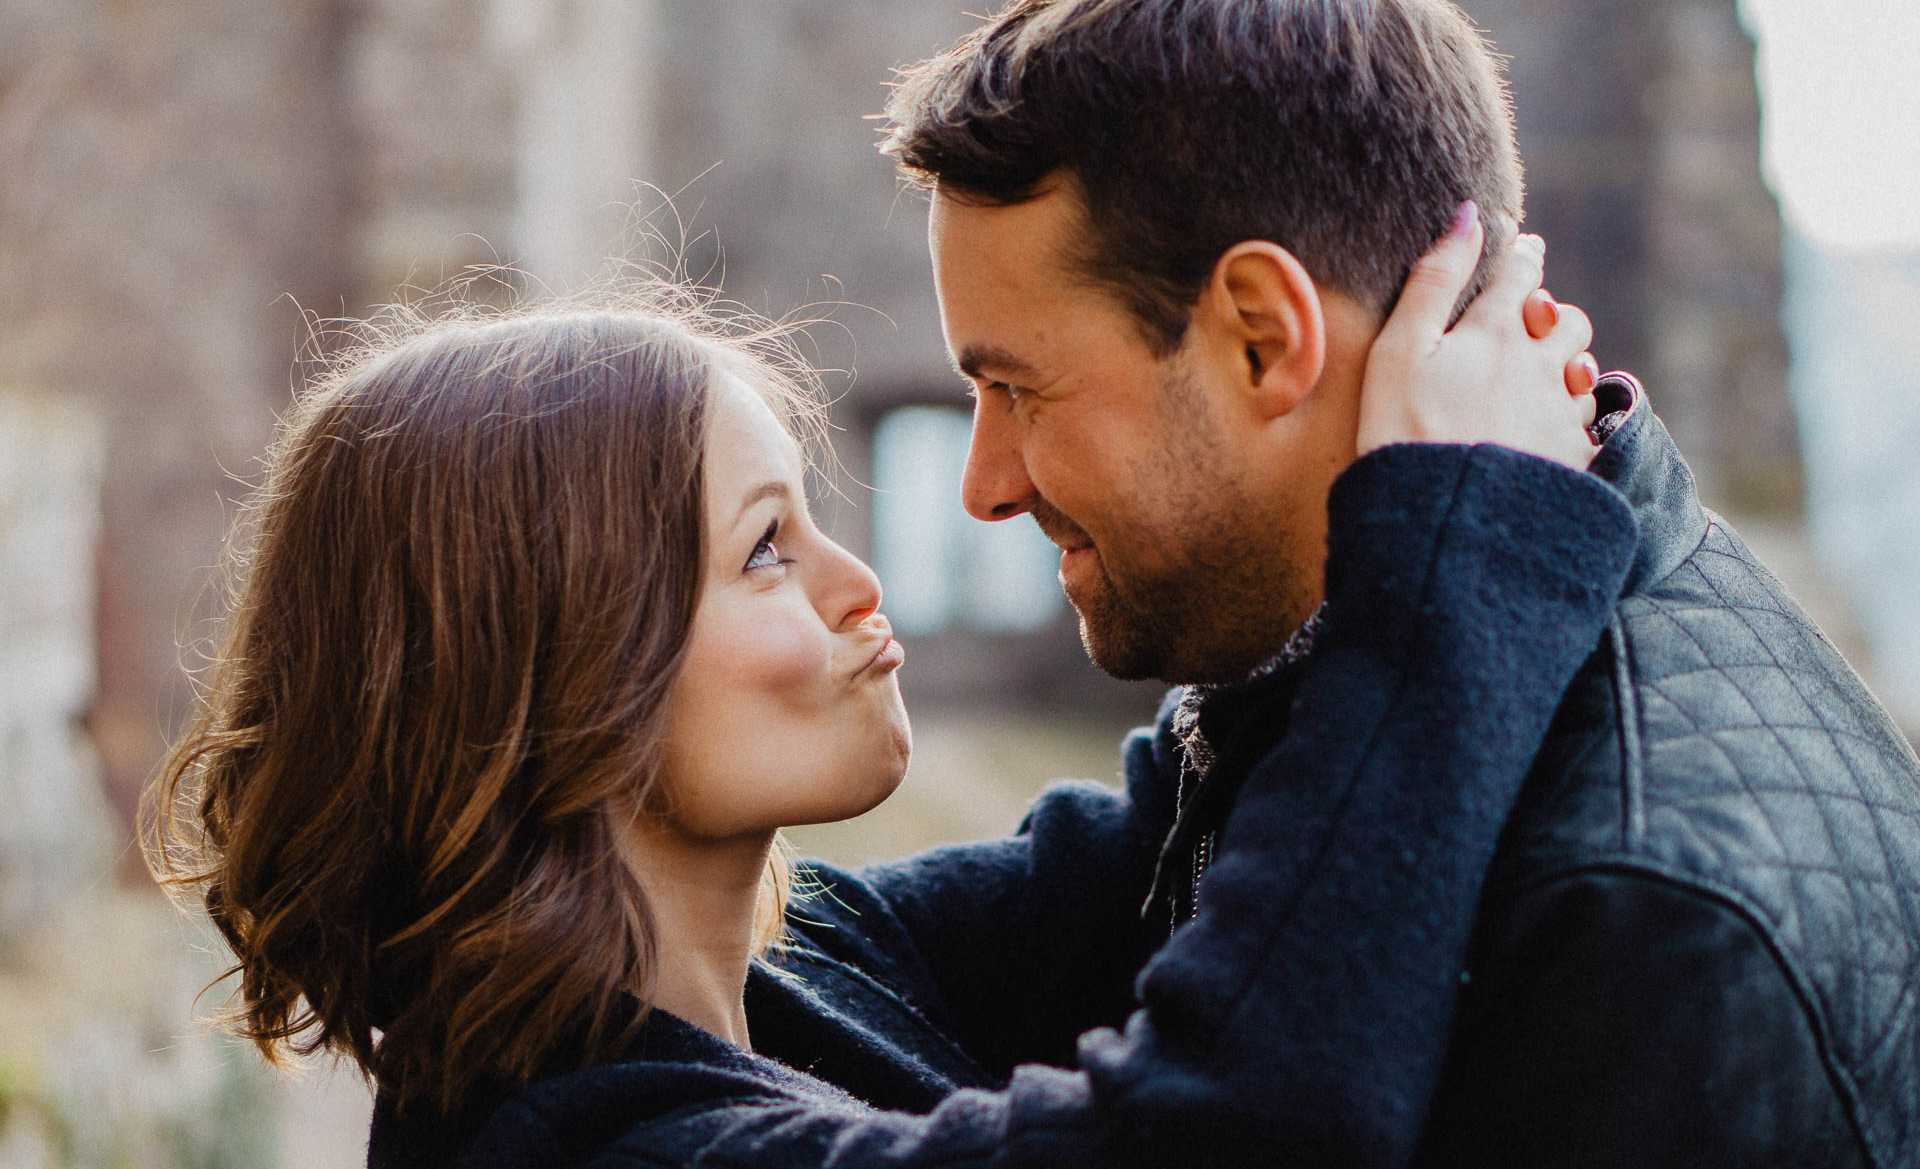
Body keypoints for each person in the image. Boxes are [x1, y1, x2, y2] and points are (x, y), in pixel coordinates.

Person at [147, 217, 1630, 1166]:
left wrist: (1367, 462)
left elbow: (1191, 841)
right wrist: (1467, 543)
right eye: (767, 551)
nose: (864, 584)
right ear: (565, 677)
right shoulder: (588, 1150)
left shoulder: (779, 981)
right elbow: (1242, 1129)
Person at [881, 0, 1920, 1168]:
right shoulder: (1322, 665)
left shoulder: (1637, 919)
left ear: (1264, 339)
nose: (984, 487)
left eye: (1019, 389)